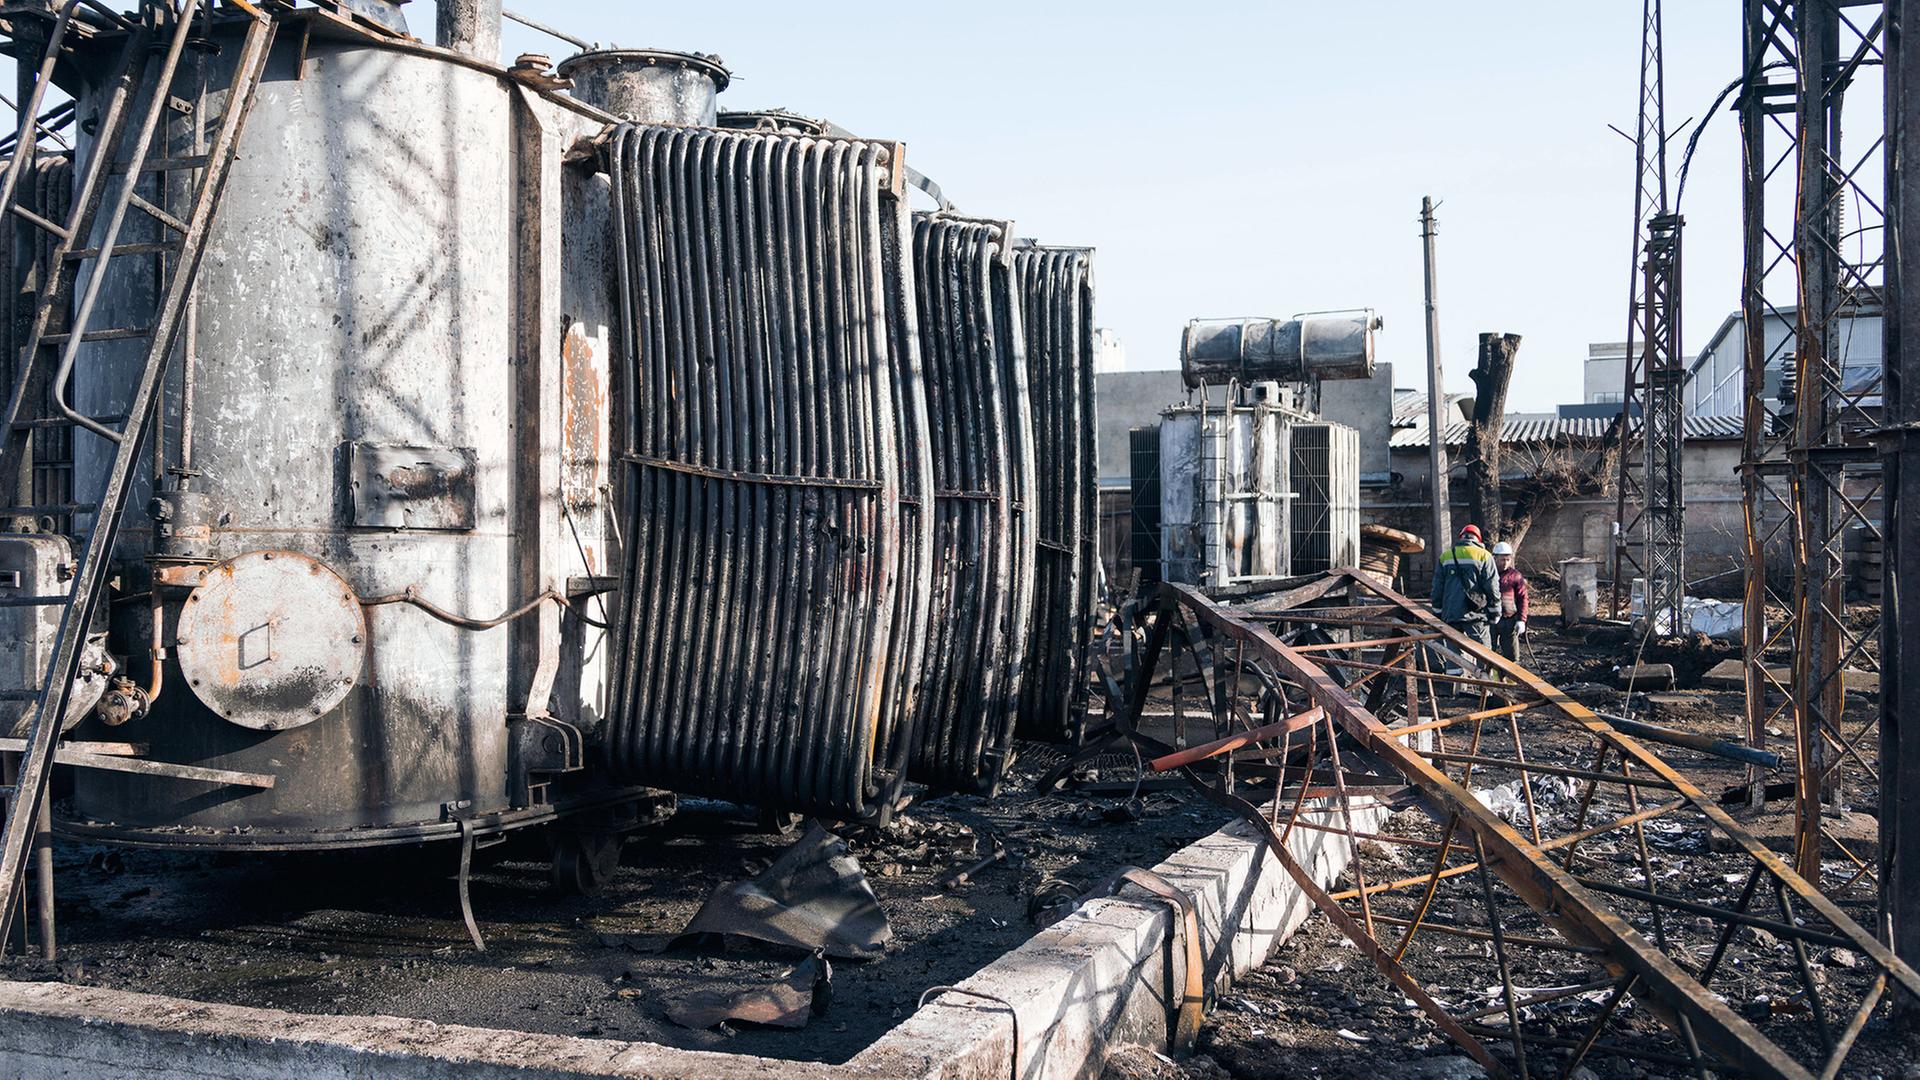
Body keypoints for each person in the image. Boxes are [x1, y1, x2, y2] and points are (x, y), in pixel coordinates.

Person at [1431, 523, 1499, 648]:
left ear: (1461, 537)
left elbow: (1437, 587)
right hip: (1476, 613)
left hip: (1451, 614)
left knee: (1453, 653)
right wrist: (1495, 611)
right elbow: (1492, 586)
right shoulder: (1484, 556)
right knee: (1483, 652)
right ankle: (1484, 668)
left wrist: (1437, 610)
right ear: (1478, 539)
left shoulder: (1446, 556)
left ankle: (1453, 668)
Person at [1491, 540, 1529, 660]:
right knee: (1487, 654)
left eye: (1508, 559)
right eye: (1502, 559)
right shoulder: (1487, 574)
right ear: (1494, 558)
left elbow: (1523, 598)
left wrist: (1521, 620)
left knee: (1512, 656)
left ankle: (1510, 678)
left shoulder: (1515, 576)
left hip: (1509, 620)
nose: (1505, 563)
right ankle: (1489, 677)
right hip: (1490, 619)